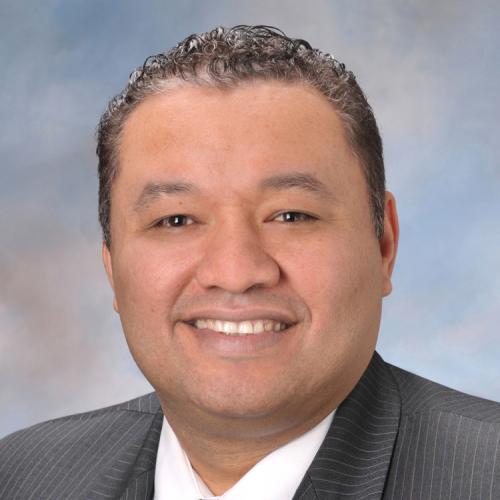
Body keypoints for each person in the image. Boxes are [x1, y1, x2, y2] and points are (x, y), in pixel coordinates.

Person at [0, 25, 499, 500]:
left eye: (291, 215)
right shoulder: (23, 476)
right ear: (112, 267)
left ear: (384, 243)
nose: (235, 272)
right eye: (176, 220)